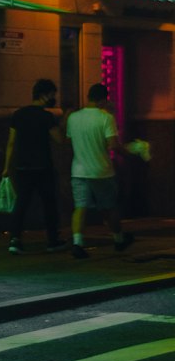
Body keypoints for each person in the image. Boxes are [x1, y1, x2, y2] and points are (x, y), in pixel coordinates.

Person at [66, 83, 137, 260]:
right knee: (109, 207)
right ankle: (119, 239)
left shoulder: (73, 117)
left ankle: (77, 243)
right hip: (101, 171)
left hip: (78, 170)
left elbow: (69, 141)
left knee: (80, 207)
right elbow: (113, 145)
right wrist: (128, 153)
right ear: (102, 99)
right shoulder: (106, 118)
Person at [1, 78, 66, 253]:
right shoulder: (47, 117)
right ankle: (52, 240)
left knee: (21, 203)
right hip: (43, 166)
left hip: (22, 167)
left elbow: (11, 143)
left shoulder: (18, 115)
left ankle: (15, 239)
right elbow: (59, 139)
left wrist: (6, 167)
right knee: (49, 204)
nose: (54, 98)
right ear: (44, 95)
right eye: (52, 95)